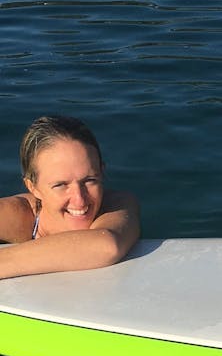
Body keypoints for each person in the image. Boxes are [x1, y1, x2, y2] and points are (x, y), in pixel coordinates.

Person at [0, 115, 140, 279]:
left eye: (90, 180)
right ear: (33, 187)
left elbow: (106, 246)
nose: (79, 199)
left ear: (101, 172)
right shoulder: (20, 216)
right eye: (60, 185)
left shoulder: (118, 205)